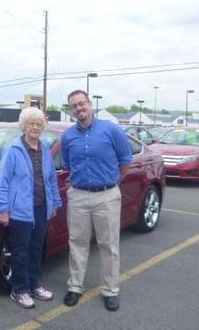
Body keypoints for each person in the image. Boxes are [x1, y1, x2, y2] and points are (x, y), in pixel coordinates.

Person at [61, 90, 132, 312]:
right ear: (71, 110)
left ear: (90, 104)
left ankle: (111, 291)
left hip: (107, 195)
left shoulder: (111, 130)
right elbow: (68, 165)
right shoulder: (68, 136)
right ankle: (75, 287)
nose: (79, 108)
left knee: (108, 245)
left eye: (82, 103)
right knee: (77, 243)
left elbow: (125, 160)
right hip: (79, 195)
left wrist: (113, 184)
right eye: (74, 106)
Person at [0, 107, 62, 309]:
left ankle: (34, 285)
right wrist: (3, 209)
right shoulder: (14, 150)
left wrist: (55, 202)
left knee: (36, 249)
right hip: (20, 211)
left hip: (41, 208)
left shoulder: (45, 148)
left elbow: (50, 179)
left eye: (38, 124)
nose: (35, 127)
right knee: (21, 252)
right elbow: (3, 181)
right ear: (24, 126)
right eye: (31, 123)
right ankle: (19, 290)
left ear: (42, 127)